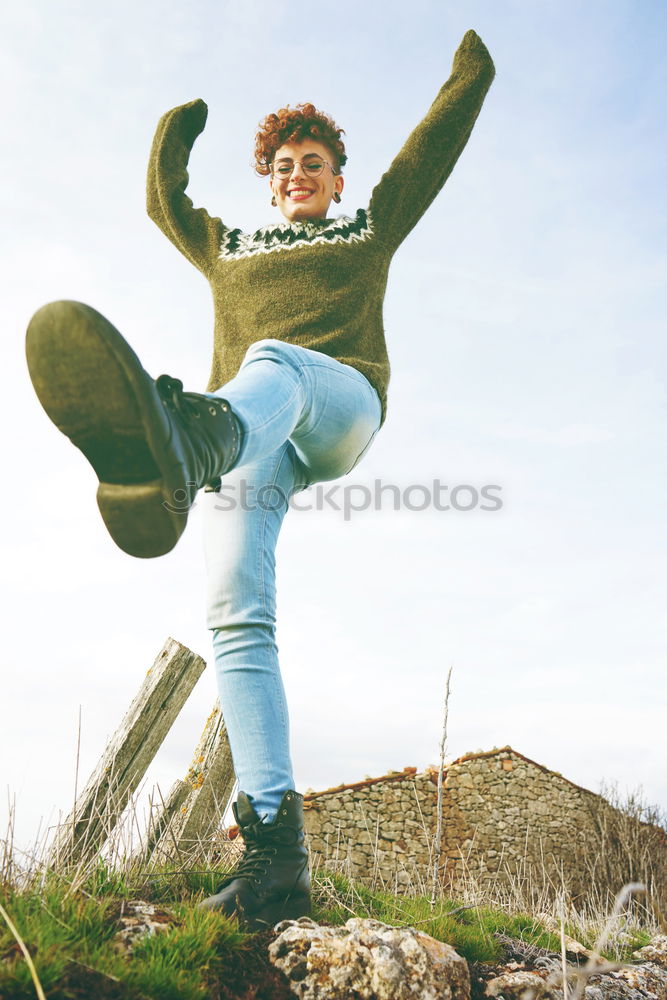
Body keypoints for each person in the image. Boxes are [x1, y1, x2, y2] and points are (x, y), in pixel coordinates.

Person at [25, 28, 495, 929]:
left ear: (337, 179)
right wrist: (176, 132)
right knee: (237, 613)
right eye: (283, 165)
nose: (297, 175)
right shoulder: (229, 247)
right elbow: (166, 204)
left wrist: (469, 76)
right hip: (251, 439)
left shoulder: (369, 224)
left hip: (340, 405)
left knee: (272, 357)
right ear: (269, 180)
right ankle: (276, 857)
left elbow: (426, 154)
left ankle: (189, 445)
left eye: (313, 162)